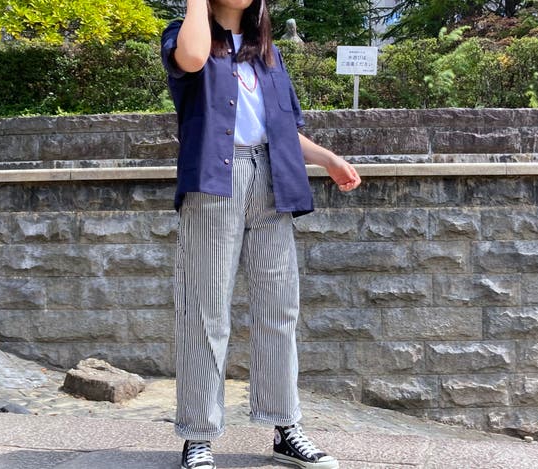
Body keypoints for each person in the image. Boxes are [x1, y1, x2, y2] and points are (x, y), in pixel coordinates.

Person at [160, 1, 361, 468]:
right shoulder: (184, 34)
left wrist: (328, 159)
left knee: (279, 309)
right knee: (205, 313)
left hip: (272, 181)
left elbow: (283, 129)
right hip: (215, 181)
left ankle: (285, 426)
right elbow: (192, 58)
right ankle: (198, 436)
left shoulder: (266, 50)